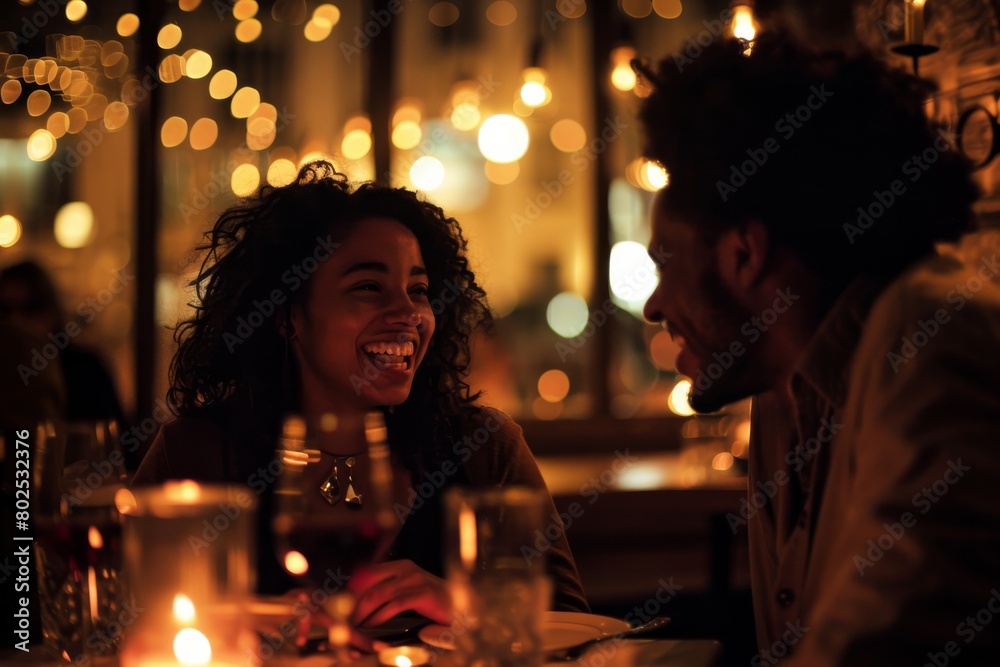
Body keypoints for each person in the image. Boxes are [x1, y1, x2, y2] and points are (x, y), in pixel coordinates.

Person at [636, 31, 999, 666]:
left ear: (745, 254)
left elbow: (884, 644)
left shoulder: (932, 331)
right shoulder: (783, 399)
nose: (654, 306)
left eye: (666, 265)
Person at [131, 161, 588, 645]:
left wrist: (468, 603)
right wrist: (240, 621)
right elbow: (122, 620)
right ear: (288, 316)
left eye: (418, 291)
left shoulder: (483, 447)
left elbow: (577, 631)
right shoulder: (196, 453)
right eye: (369, 288)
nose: (408, 314)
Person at [0, 260, 124, 425]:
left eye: (31, 308)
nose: (18, 321)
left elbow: (111, 442)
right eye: (5, 310)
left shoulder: (88, 371)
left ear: (52, 311)